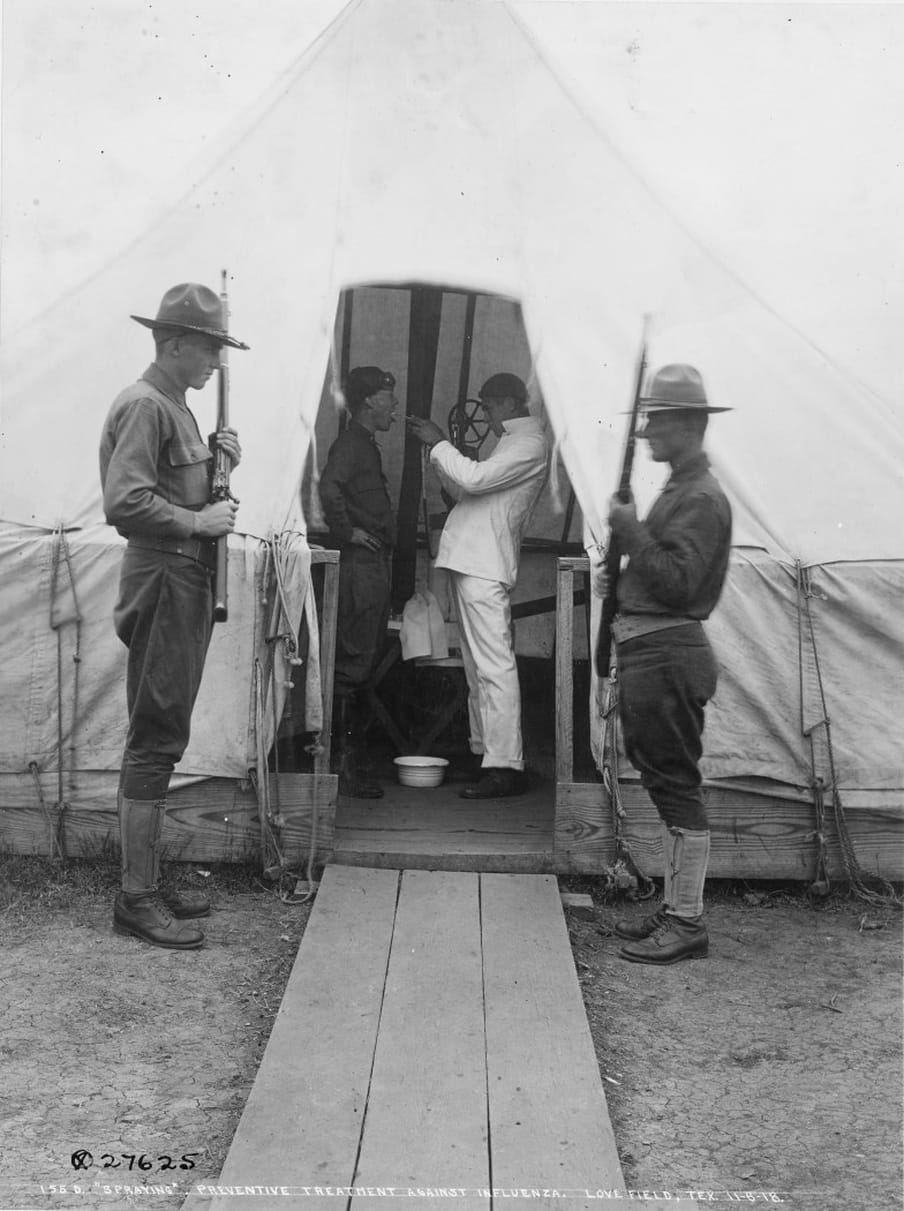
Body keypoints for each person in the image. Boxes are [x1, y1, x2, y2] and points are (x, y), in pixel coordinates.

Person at [99, 282, 248, 950]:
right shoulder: (145, 405)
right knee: (155, 734)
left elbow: (179, 488)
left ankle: (147, 882)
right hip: (162, 576)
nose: (216, 360)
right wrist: (198, 519)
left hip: (181, 579)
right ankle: (136, 896)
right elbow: (126, 501)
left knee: (165, 729)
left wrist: (220, 466)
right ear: (178, 341)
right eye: (210, 347)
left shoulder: (178, 409)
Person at [600, 363, 732, 965]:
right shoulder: (682, 489)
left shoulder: (702, 498)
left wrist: (630, 535)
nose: (647, 431)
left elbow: (679, 582)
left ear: (687, 424)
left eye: (656, 419)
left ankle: (687, 922)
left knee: (676, 785)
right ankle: (679, 908)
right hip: (651, 651)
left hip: (667, 653)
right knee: (664, 780)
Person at [407, 372, 549, 799]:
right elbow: (468, 491)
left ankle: (504, 766)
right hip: (473, 561)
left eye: (487, 407)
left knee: (493, 667)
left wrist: (439, 443)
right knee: (478, 669)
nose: (483, 415)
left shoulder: (528, 443)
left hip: (484, 564)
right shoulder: (507, 443)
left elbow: (474, 481)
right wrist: (444, 456)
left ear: (509, 403)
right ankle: (485, 754)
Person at [318, 366, 398, 798]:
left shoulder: (364, 445)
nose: (395, 406)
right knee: (351, 665)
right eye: (389, 397)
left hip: (373, 564)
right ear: (369, 402)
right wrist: (346, 532)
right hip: (360, 566)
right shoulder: (351, 445)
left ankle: (347, 764)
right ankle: (341, 769)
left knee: (361, 660)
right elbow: (329, 487)